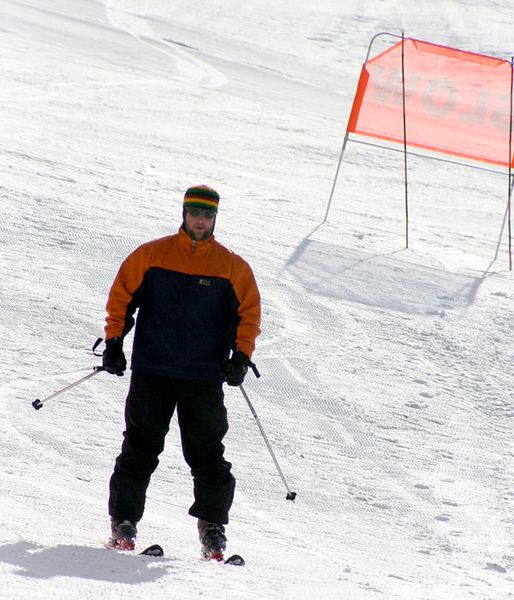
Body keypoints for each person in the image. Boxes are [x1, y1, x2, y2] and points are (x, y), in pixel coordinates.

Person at [101, 185, 261, 559]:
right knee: (139, 448)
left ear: (215, 218)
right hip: (153, 371)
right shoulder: (152, 255)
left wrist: (241, 356)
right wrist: (113, 342)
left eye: (206, 214)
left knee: (207, 455)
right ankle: (123, 522)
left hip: (202, 377)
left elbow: (248, 316)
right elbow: (122, 297)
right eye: (194, 213)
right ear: (184, 213)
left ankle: (212, 529)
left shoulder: (232, 266)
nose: (200, 220)